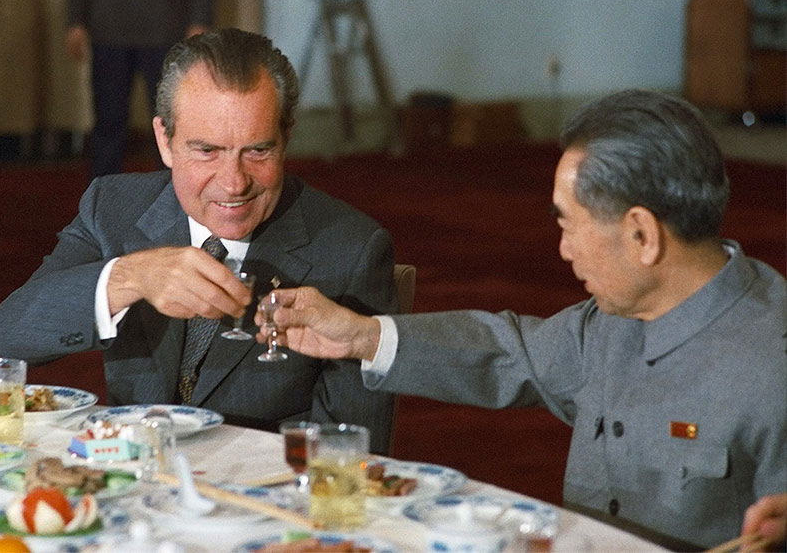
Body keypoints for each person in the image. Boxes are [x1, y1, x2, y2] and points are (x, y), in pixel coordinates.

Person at [258, 90, 786, 550]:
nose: (563, 250)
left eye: (569, 225)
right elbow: (509, 351)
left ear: (642, 235)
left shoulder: (772, 363)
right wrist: (362, 336)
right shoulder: (613, 322)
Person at [0, 29, 397, 454]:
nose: (234, 182)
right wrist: (129, 278)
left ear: (286, 137)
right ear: (165, 141)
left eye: (258, 151)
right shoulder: (114, 207)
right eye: (207, 151)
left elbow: (350, 456)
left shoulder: (351, 249)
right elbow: (13, 335)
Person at [66, 0, 216, 178]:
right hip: (108, 31)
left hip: (165, 29)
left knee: (169, 121)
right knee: (108, 120)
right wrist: (75, 21)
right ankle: (104, 194)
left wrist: (200, 20)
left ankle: (173, 192)